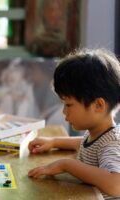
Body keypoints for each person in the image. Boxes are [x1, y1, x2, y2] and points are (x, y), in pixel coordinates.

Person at [27, 49, 120, 199]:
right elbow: (84, 144)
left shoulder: (112, 144)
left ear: (98, 105)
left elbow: (116, 185)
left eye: (69, 105)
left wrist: (67, 165)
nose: (64, 112)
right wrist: (54, 141)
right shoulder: (99, 135)